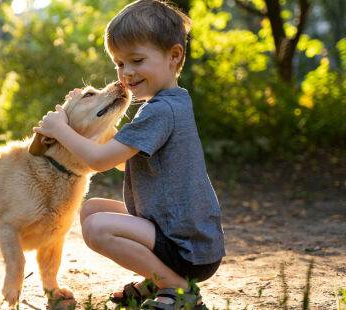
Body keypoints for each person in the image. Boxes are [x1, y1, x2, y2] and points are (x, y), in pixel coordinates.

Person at [33, 0, 225, 308]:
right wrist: (83, 115)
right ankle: (158, 280)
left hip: (187, 248)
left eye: (136, 60)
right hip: (181, 234)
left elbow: (99, 161)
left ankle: (177, 288)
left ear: (174, 56)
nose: (127, 73)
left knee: (96, 228)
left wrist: (59, 131)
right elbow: (124, 162)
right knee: (92, 209)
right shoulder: (171, 102)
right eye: (120, 64)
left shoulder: (161, 111)